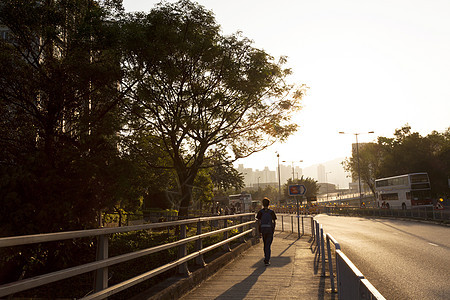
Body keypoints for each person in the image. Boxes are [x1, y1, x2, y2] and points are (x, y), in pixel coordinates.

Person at [256, 197, 277, 266]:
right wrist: (273, 229)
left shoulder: (260, 212)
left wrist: (259, 232)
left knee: (265, 244)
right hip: (269, 230)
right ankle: (267, 260)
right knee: (268, 245)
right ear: (269, 204)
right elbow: (274, 222)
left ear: (262, 204)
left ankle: (266, 258)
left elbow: (258, 222)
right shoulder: (271, 212)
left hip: (263, 230)